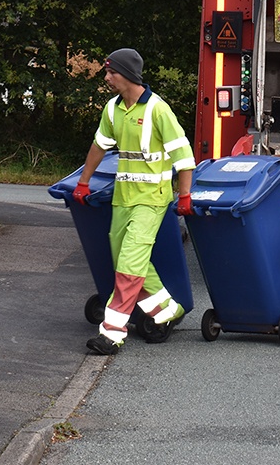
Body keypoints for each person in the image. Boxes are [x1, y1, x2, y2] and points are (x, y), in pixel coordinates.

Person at [72, 48, 196, 355]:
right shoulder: (112, 110)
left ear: (125, 74)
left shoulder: (158, 110)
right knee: (126, 263)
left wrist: (185, 196)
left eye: (110, 72)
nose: (106, 77)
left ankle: (112, 333)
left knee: (129, 265)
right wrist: (83, 183)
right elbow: (98, 147)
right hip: (123, 199)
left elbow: (185, 158)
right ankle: (166, 310)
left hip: (151, 201)